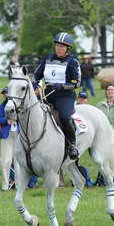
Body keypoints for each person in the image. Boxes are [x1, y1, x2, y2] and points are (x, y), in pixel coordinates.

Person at [34, 32, 81, 160]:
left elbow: (77, 82)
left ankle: (72, 145)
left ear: (68, 49)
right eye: (57, 46)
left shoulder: (73, 62)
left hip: (64, 96)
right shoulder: (47, 59)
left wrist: (63, 86)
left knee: (65, 117)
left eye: (62, 46)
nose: (59, 48)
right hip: (47, 94)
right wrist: (34, 85)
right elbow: (36, 76)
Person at [0, 87, 17, 191]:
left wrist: (17, 119)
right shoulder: (2, 105)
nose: (5, 95)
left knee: (19, 161)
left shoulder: (19, 103)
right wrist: (7, 120)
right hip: (7, 134)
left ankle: (19, 184)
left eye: (7, 93)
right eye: (4, 93)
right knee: (5, 160)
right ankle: (5, 184)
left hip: (19, 134)